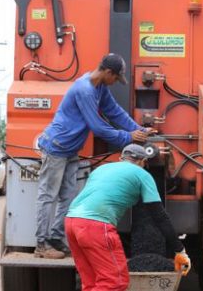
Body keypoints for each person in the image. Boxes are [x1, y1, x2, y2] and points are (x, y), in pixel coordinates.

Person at [59, 144, 191, 291]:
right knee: (116, 281)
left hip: (72, 222)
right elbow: (159, 216)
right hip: (97, 226)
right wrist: (179, 249)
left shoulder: (102, 169)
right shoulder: (142, 174)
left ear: (122, 157)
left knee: (95, 286)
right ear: (142, 161)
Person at [34, 53, 154, 259]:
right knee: (48, 196)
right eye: (115, 78)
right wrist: (128, 137)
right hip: (56, 146)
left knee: (69, 196)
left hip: (70, 149)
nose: (115, 82)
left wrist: (139, 130)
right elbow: (97, 127)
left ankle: (56, 239)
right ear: (108, 72)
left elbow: (115, 112)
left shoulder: (100, 88)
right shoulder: (85, 90)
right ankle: (41, 245)